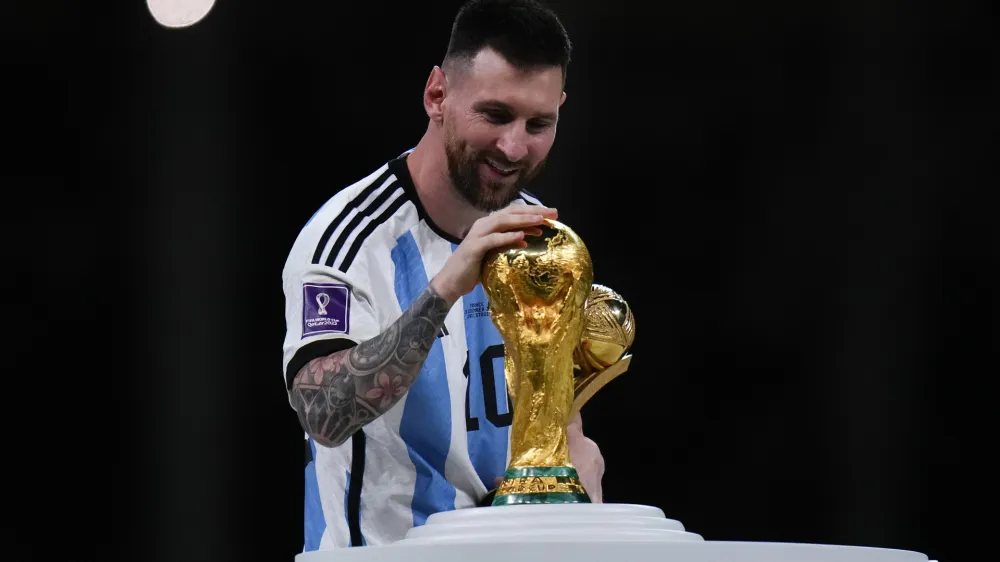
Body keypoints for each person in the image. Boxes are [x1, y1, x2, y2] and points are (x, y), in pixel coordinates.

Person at [280, 0, 604, 551]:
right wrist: (448, 284)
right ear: (437, 96)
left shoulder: (542, 241)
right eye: (496, 115)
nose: (514, 146)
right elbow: (324, 416)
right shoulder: (349, 239)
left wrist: (577, 460)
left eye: (539, 123)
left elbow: (558, 415)